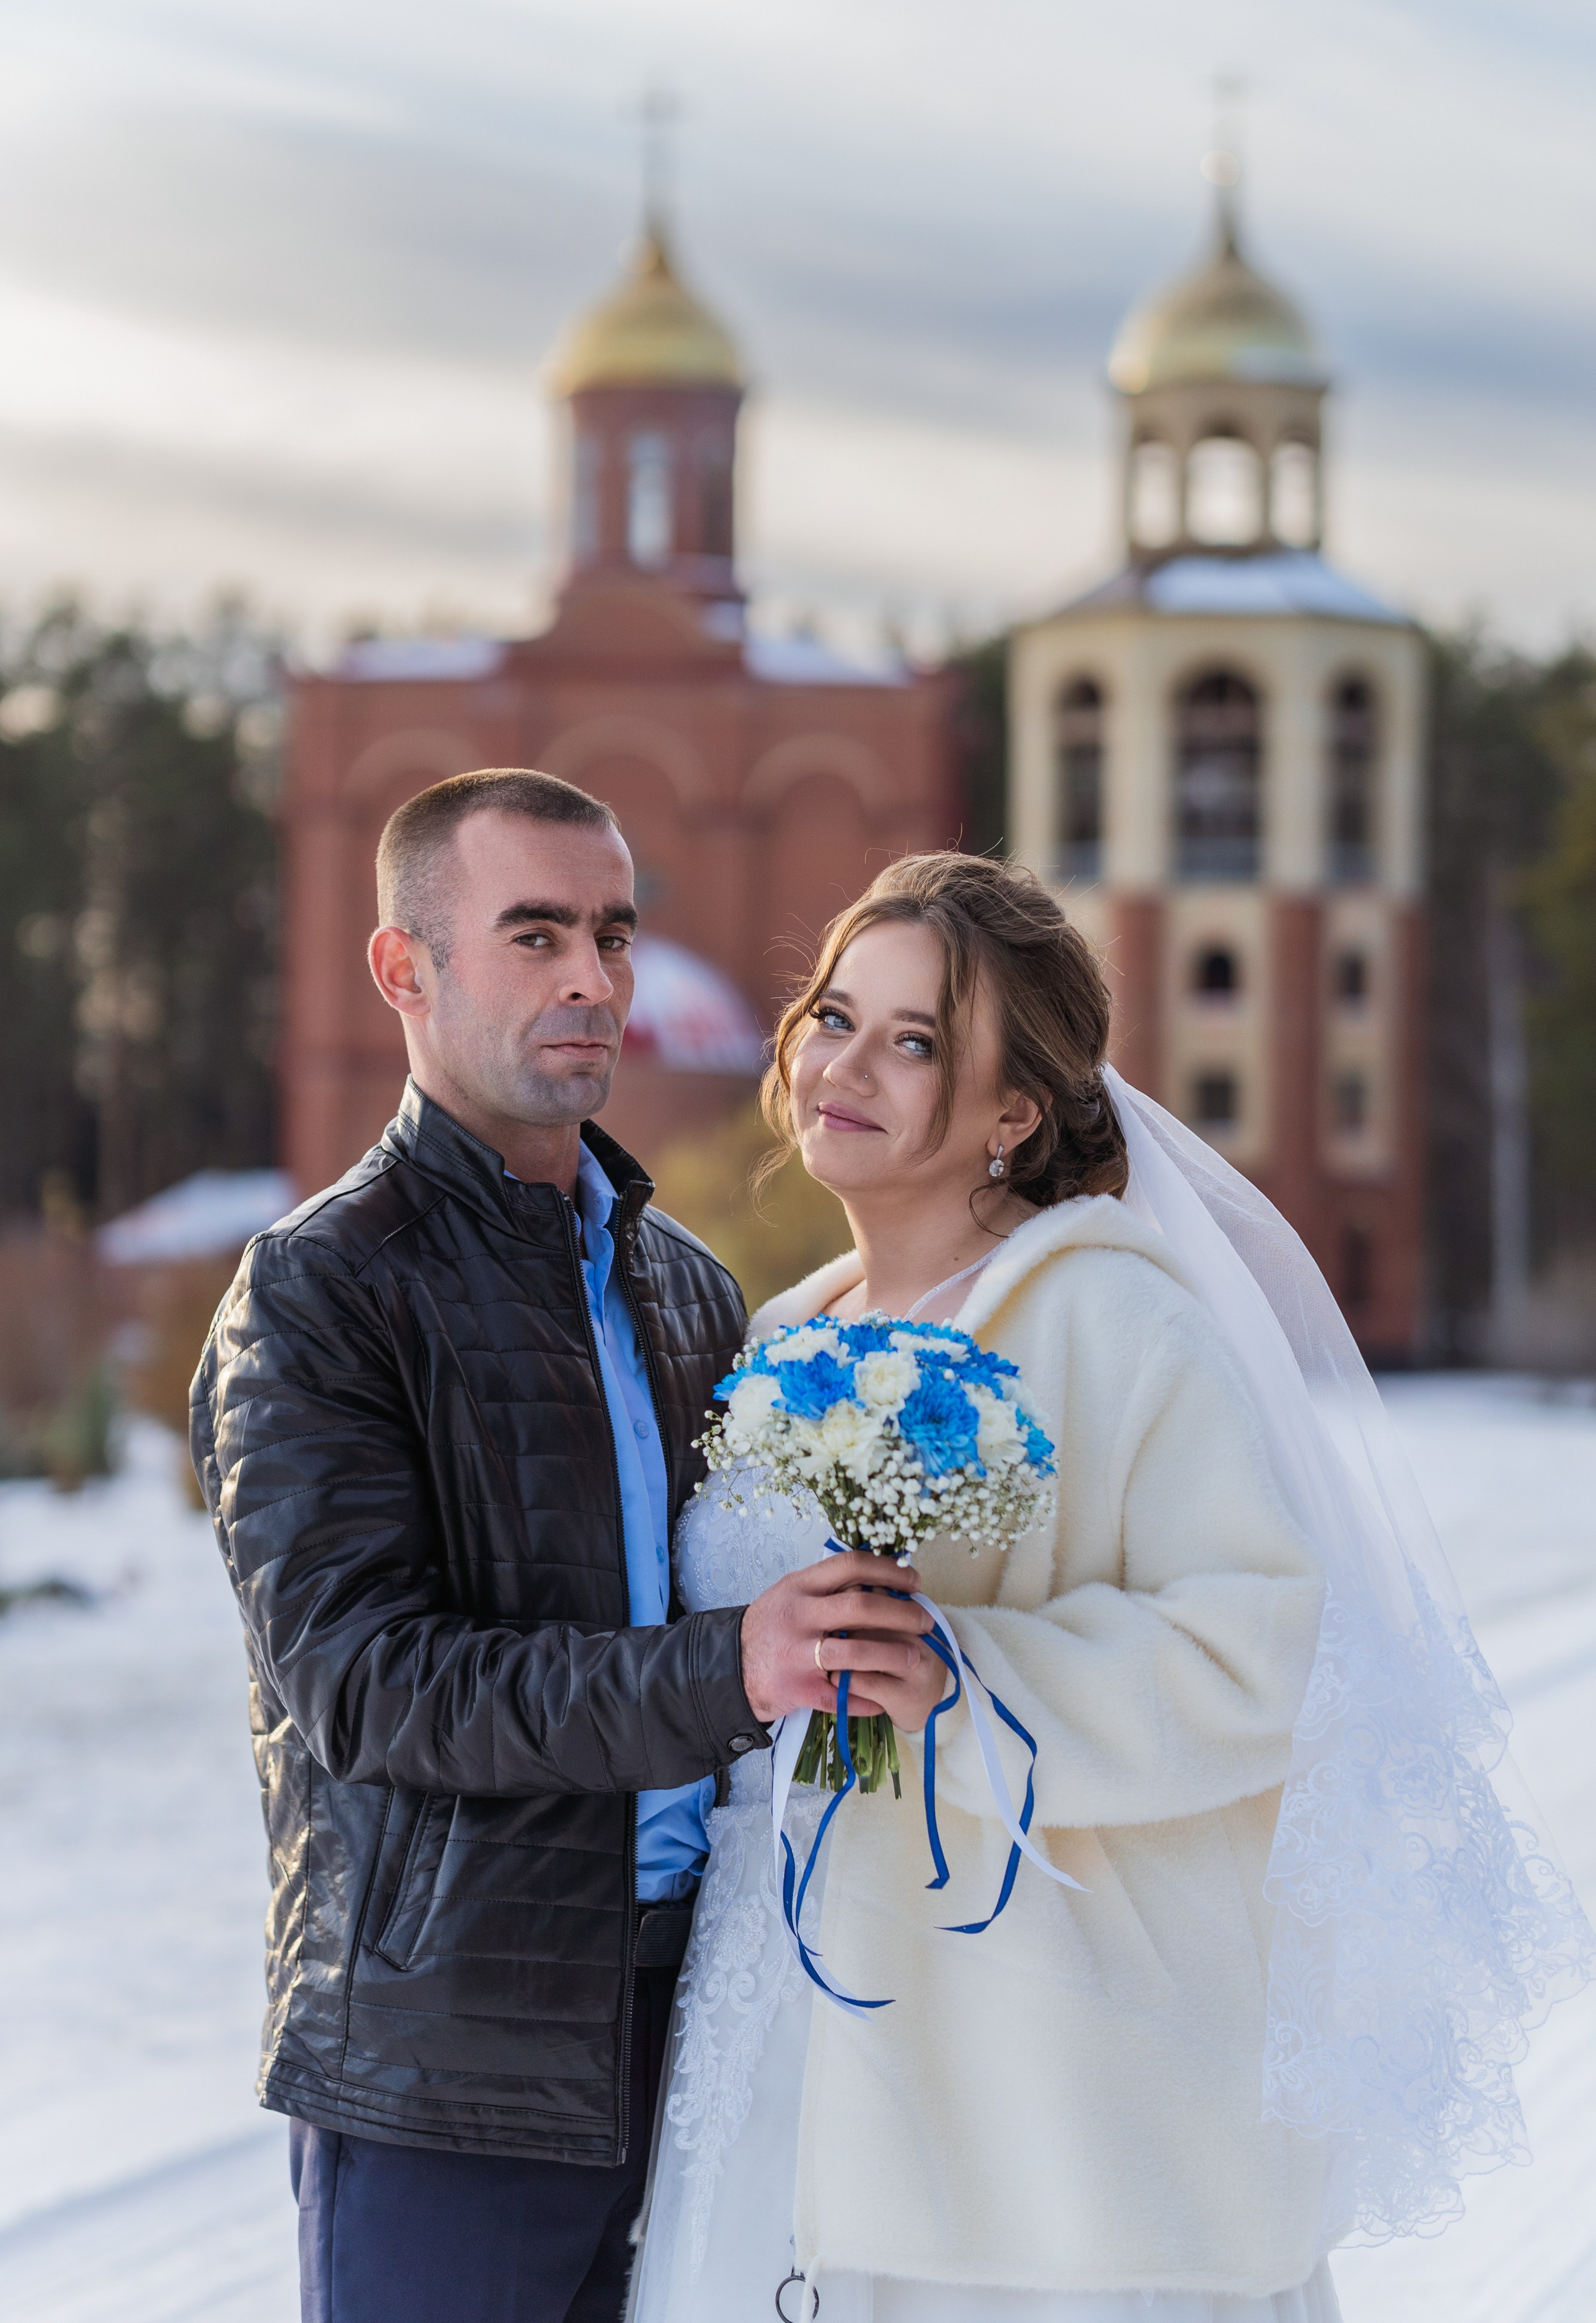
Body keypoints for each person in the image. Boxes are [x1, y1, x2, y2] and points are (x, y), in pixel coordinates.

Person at [629, 850, 1590, 2323]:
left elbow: (1255, 1649)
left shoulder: (1112, 1312)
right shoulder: (774, 1334)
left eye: (917, 1041)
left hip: (1025, 2063)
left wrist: (964, 1681)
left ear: (1014, 1110)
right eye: (835, 1015)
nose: (849, 1064)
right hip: (777, 2008)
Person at [190, 768, 932, 2323]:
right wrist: (733, 1668)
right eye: (533, 936)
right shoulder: (316, 1292)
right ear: (406, 970)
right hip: (450, 2070)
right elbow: (371, 1687)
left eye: (611, 933)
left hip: (709, 2034)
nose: (594, 980)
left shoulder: (688, 1290)